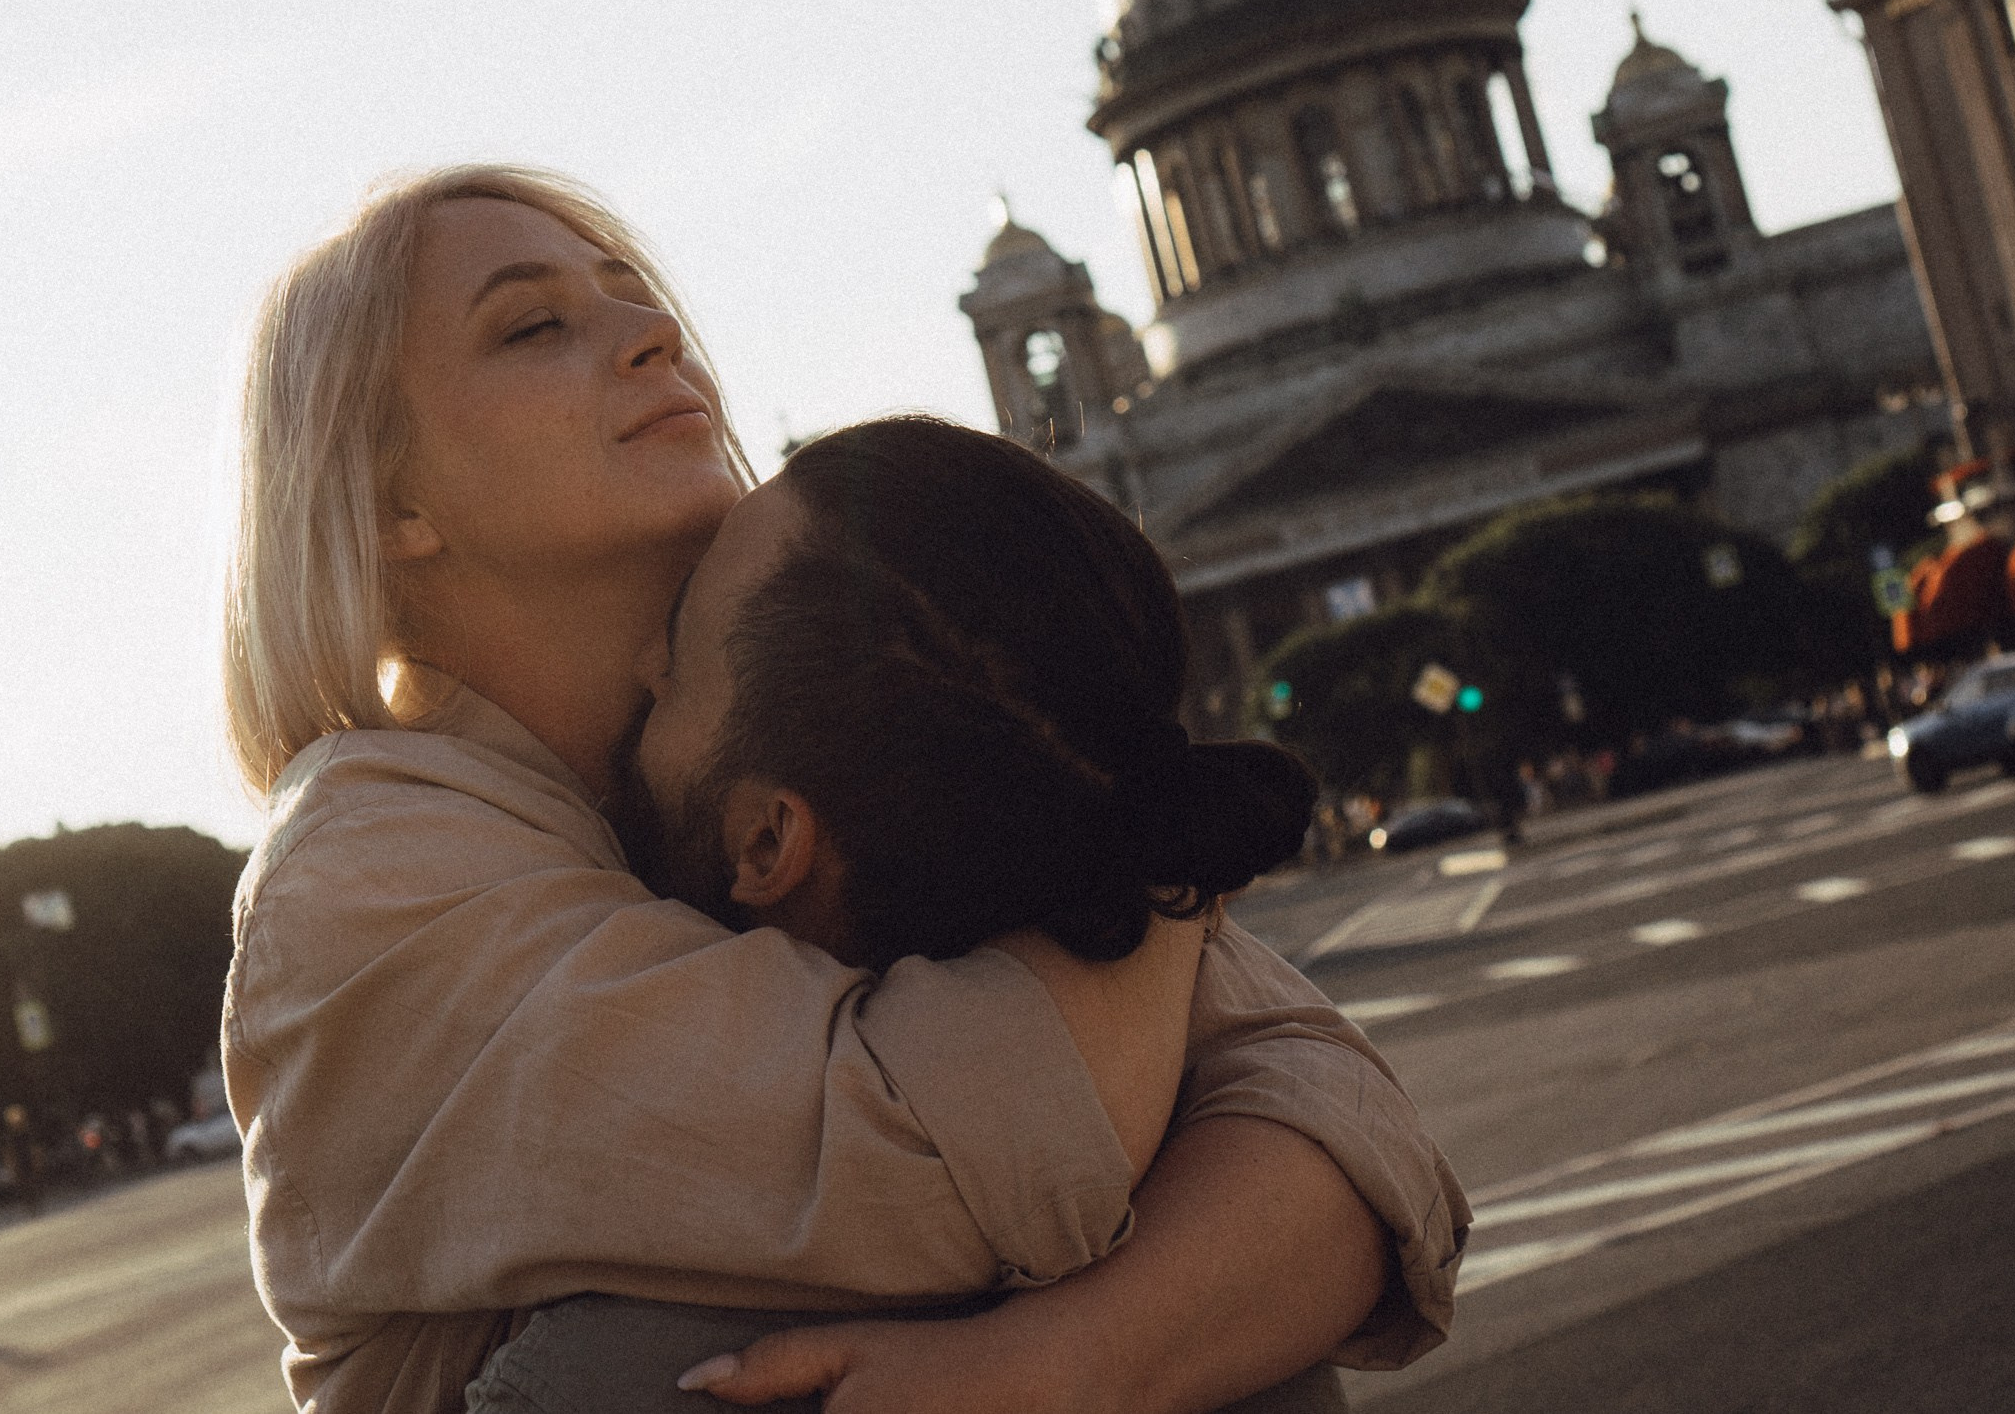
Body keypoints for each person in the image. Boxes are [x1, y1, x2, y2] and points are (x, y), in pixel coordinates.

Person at [221, 167, 1468, 1414]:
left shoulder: (802, 732)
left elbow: (1352, 1147)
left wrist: (1060, 1362)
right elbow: (945, 1166)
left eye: (632, 296)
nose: (653, 333)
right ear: (390, 505)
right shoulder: (364, 872)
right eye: (534, 325)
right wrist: (1133, 806)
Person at [465, 415, 1360, 1412]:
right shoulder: (1229, 1267)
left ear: (768, 842)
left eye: (675, 658)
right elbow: (1363, 1140)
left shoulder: (621, 1368)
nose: (640, 666)